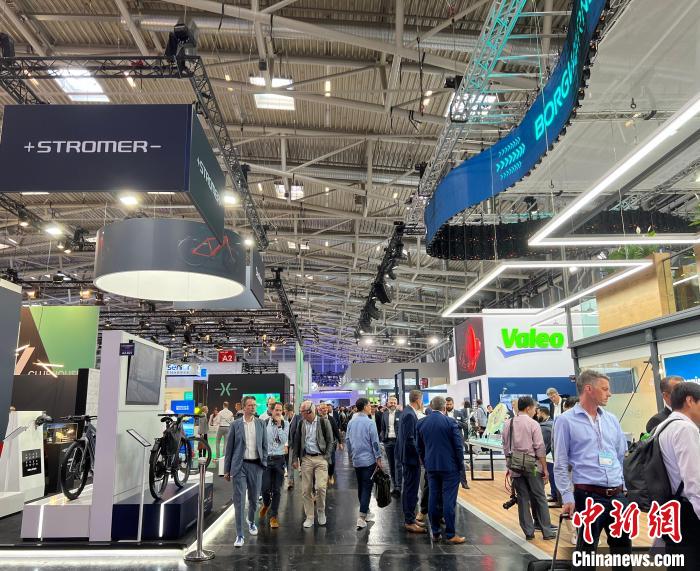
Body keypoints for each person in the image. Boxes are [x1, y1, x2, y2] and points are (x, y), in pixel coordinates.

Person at [554, 370, 631, 570]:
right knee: (586, 554)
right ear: (589, 389)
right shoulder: (565, 420)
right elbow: (560, 462)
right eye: (605, 389)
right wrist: (567, 496)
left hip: (617, 495)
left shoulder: (611, 419)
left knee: (623, 553)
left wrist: (623, 487)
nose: (609, 393)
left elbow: (619, 455)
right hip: (588, 496)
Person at [657, 382, 700, 567]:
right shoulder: (685, 429)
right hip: (688, 513)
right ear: (690, 401)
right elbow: (694, 480)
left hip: (670, 508)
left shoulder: (663, 426)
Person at [503, 397, 555, 540]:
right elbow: (540, 448)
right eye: (534, 408)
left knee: (522, 498)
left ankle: (528, 532)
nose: (535, 411)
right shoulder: (533, 424)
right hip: (532, 466)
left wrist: (509, 465)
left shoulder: (508, 423)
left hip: (515, 466)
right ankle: (547, 531)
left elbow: (505, 447)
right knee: (540, 497)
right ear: (528, 408)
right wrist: (545, 469)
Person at [417, 395, 467, 544]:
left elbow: (419, 448)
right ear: (444, 407)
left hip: (431, 467)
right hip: (450, 467)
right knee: (449, 501)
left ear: (431, 407)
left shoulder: (421, 423)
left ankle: (436, 533)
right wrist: (460, 465)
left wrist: (426, 462)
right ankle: (450, 535)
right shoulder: (450, 422)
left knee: (433, 498)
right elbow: (458, 447)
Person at [223, 396, 268, 548]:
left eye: (254, 405)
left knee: (254, 499)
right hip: (240, 466)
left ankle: (251, 521)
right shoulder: (235, 425)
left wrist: (264, 463)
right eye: (249, 405)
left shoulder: (261, 423)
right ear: (243, 407)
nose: (253, 407)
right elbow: (229, 449)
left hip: (256, 466)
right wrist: (227, 469)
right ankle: (239, 534)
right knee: (239, 501)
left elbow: (264, 446)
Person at [291, 400, 334, 528]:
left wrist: (326, 457)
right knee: (306, 490)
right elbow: (296, 442)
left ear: (310, 411)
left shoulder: (323, 422)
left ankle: (321, 511)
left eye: (303, 412)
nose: (301, 414)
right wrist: (295, 459)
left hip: (321, 458)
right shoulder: (301, 423)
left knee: (320, 487)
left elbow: (330, 441)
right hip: (306, 459)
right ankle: (309, 516)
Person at [346, 397, 384, 529]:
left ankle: (366, 512)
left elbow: (347, 440)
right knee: (367, 487)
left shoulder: (351, 422)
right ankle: (361, 517)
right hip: (369, 460)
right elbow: (375, 442)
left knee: (361, 486)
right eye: (369, 405)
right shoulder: (369, 422)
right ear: (365, 407)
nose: (371, 407)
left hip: (356, 459)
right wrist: (378, 457)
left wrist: (351, 454)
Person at [398, 389, 426, 534]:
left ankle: (411, 518)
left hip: (409, 457)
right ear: (418, 400)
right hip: (410, 458)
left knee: (412, 489)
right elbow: (410, 439)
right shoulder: (409, 414)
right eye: (422, 400)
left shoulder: (408, 412)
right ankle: (409, 521)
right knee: (410, 489)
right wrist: (419, 455)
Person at [259, 402, 288, 529]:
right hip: (266, 459)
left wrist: (279, 426)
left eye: (280, 410)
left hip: (279, 459)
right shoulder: (264, 423)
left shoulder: (285, 424)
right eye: (276, 410)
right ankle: (266, 504)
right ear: (271, 411)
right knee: (264, 488)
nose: (278, 412)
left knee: (277, 489)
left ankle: (273, 516)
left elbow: (284, 440)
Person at [380, 395, 402, 497]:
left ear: (397, 404)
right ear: (387, 403)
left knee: (398, 464)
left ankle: (398, 487)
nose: (392, 404)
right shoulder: (384, 414)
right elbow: (383, 428)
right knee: (391, 465)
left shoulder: (401, 414)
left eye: (394, 403)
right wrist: (383, 438)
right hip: (388, 442)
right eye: (391, 402)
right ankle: (394, 485)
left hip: (398, 442)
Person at [536, 406, 558, 506]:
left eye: (538, 413)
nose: (537, 415)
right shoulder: (551, 423)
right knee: (553, 477)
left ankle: (556, 497)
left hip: (549, 456)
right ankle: (554, 494)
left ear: (542, 413)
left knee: (552, 476)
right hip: (551, 455)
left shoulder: (545, 426)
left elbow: (543, 445)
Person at [320, 403, 344, 486]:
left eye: (326, 408)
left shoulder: (331, 419)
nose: (325, 410)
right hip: (321, 446)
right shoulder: (317, 419)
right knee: (322, 462)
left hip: (331, 444)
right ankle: (324, 477)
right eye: (322, 408)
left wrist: (340, 442)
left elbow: (336, 431)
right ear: (319, 410)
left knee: (332, 462)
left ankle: (330, 475)